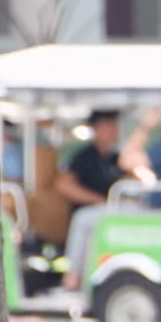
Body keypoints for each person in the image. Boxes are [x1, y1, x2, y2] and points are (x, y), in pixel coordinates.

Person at [58, 109, 126, 290]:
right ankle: (72, 277)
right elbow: (64, 185)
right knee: (82, 219)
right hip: (91, 211)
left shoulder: (116, 158)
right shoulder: (83, 157)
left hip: (114, 210)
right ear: (97, 129)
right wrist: (97, 200)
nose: (114, 130)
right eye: (109, 126)